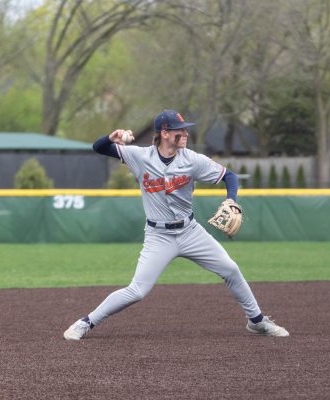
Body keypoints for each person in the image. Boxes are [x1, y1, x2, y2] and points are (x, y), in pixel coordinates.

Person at [63, 109, 289, 340]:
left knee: (230, 269)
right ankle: (85, 322)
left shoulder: (192, 160)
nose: (185, 133)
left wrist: (231, 199)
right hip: (158, 236)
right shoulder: (140, 156)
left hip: (190, 232)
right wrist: (111, 138)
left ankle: (257, 321)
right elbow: (98, 148)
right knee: (137, 291)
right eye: (179, 129)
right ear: (165, 133)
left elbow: (229, 176)